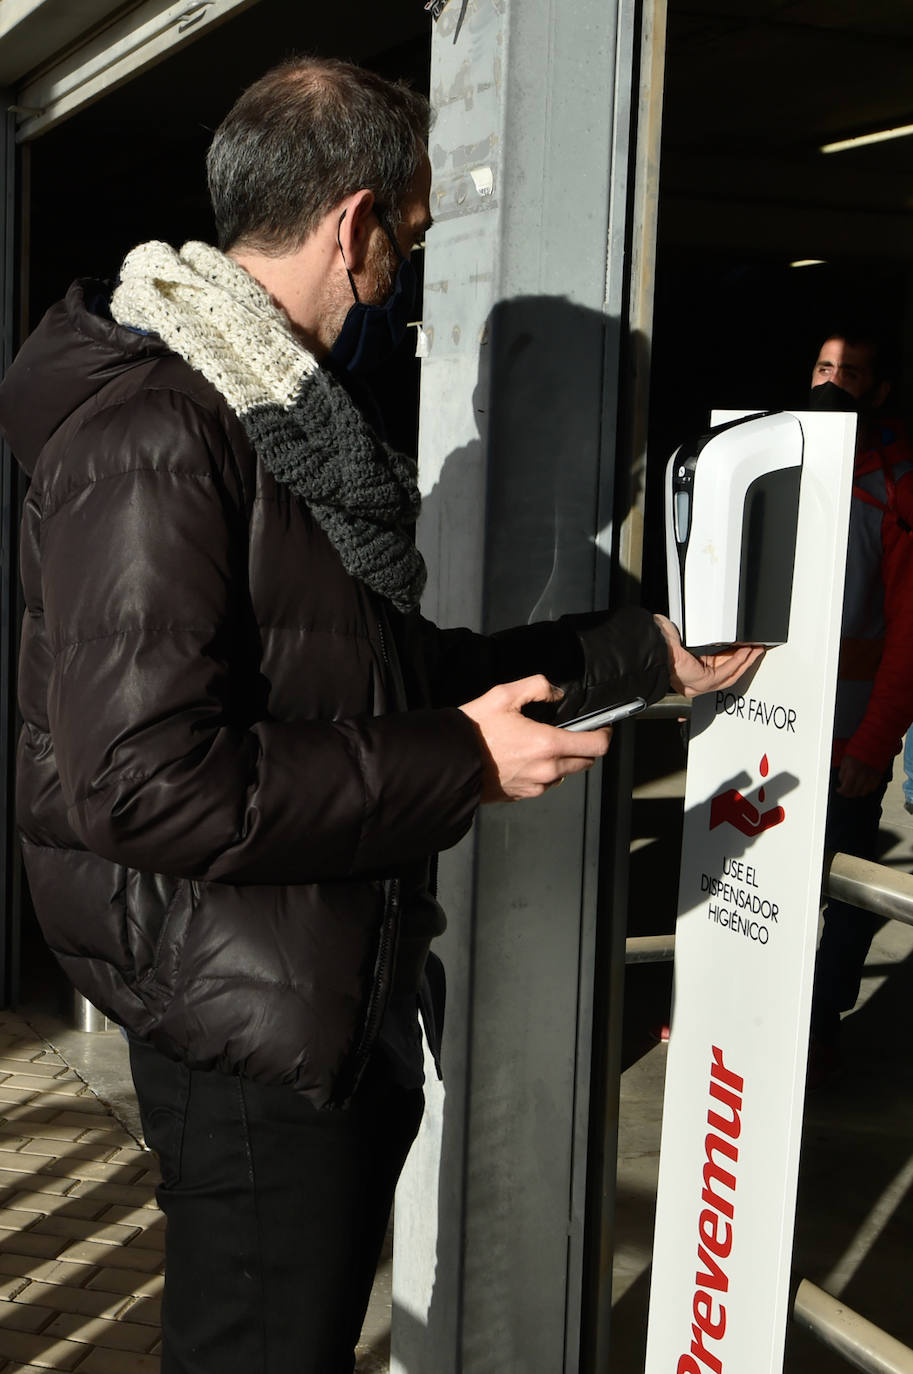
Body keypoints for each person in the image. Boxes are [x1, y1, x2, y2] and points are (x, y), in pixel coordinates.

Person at [0, 57, 758, 1374]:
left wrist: (639, 651)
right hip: (246, 1023)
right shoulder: (160, 432)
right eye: (404, 237)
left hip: (291, 981)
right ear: (354, 224)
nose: (398, 275)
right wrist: (459, 757)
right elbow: (140, 780)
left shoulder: (262, 424)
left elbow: (391, 671)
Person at [807, 327, 913, 1080]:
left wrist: (871, 745)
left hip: (845, 734)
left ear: (877, 392)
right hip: (758, 728)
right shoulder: (771, 457)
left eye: (849, 372)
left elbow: (908, 630)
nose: (830, 381)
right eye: (821, 366)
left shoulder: (895, 484)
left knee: (840, 884)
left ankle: (818, 1026)